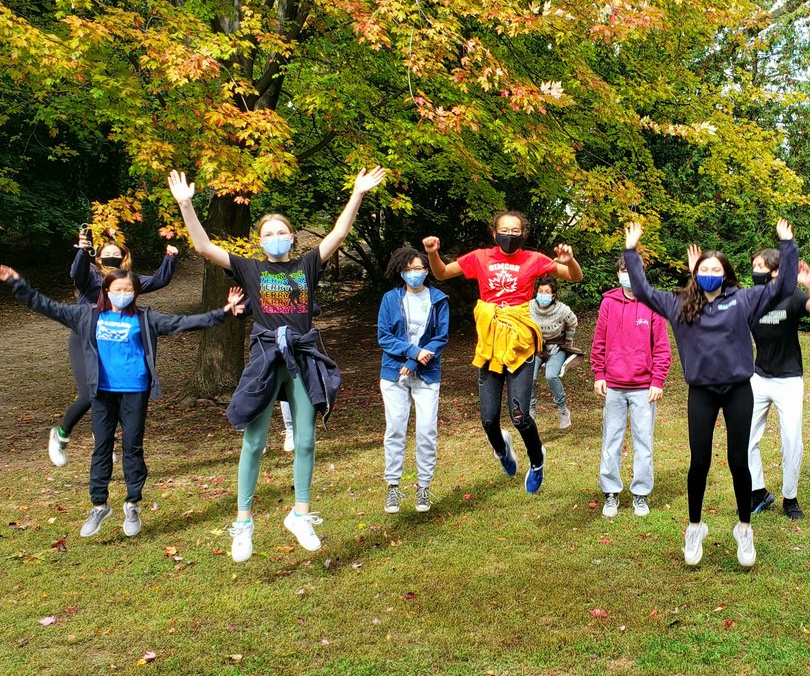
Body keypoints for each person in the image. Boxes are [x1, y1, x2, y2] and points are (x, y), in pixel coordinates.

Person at [168, 165, 386, 562]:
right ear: (259, 241)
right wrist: (186, 205)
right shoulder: (251, 269)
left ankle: (300, 514)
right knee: (254, 442)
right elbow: (203, 248)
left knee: (305, 440)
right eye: (267, 233)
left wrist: (356, 194)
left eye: (280, 231)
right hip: (266, 360)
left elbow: (338, 234)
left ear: (292, 236)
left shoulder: (306, 266)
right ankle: (243, 522)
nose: (275, 238)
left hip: (302, 359)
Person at [1, 264, 243, 539]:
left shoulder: (145, 318)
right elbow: (45, 305)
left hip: (134, 391)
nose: (124, 294)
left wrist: (224, 312)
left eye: (129, 290)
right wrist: (17, 282)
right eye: (118, 289)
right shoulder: (86, 316)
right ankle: (99, 506)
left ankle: (132, 503)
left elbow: (183, 323)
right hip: (102, 393)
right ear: (105, 290)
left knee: (132, 447)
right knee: (101, 448)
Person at [623, 218, 796, 568]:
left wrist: (787, 245)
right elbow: (642, 290)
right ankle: (694, 527)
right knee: (698, 462)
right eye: (705, 269)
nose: (710, 274)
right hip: (701, 392)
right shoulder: (680, 304)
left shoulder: (744, 300)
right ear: (695, 273)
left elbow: (785, 286)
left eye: (716, 269)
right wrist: (631, 250)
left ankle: (744, 530)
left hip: (737, 391)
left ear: (727, 274)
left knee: (738, 462)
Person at [423, 212, 582, 494]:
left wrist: (569, 261)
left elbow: (574, 277)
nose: (510, 234)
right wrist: (433, 253)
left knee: (519, 415)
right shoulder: (480, 257)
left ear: (523, 233)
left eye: (516, 230)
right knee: (488, 419)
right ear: (494, 234)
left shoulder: (533, 259)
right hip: (491, 343)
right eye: (504, 229)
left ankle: (536, 461)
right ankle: (502, 449)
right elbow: (442, 273)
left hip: (520, 342)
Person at [48, 228, 179, 467]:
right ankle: (61, 435)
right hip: (85, 339)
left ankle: (103, 440)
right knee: (89, 393)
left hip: (116, 341)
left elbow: (160, 280)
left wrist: (170, 258)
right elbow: (76, 274)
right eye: (106, 251)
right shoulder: (90, 275)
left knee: (113, 392)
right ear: (98, 256)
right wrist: (82, 251)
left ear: (122, 257)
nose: (110, 254)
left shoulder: (128, 280)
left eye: (115, 252)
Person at [746, 251, 810, 520]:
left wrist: (809, 286)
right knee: (744, 438)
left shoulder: (793, 296)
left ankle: (789, 497)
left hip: (789, 379)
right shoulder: (751, 300)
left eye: (761, 266)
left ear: (776, 271)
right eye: (754, 266)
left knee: (792, 440)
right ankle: (758, 492)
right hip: (759, 377)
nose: (756, 271)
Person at [593, 255, 671, 518]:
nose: (628, 274)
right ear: (618, 274)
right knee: (611, 440)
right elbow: (599, 342)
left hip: (643, 388)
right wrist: (599, 374)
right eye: (624, 270)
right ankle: (611, 492)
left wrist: (657, 380)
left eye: (633, 270)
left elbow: (662, 347)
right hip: (613, 385)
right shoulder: (608, 303)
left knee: (643, 442)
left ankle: (640, 494)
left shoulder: (653, 305)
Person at [377, 247, 449, 514]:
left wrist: (414, 360)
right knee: (395, 428)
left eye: (419, 269)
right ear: (401, 272)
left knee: (426, 430)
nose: (414, 274)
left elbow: (440, 338)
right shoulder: (389, 299)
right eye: (408, 270)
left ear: (427, 271)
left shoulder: (439, 299)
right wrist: (412, 353)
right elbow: (384, 337)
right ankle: (393, 486)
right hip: (393, 374)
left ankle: (423, 486)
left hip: (427, 374)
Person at [529, 277, 580, 429]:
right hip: (536, 348)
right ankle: (531, 410)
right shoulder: (529, 307)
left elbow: (573, 322)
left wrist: (569, 340)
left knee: (551, 375)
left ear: (553, 296)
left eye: (547, 292)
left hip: (556, 347)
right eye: (540, 292)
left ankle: (563, 410)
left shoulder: (562, 309)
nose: (543, 295)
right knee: (529, 377)